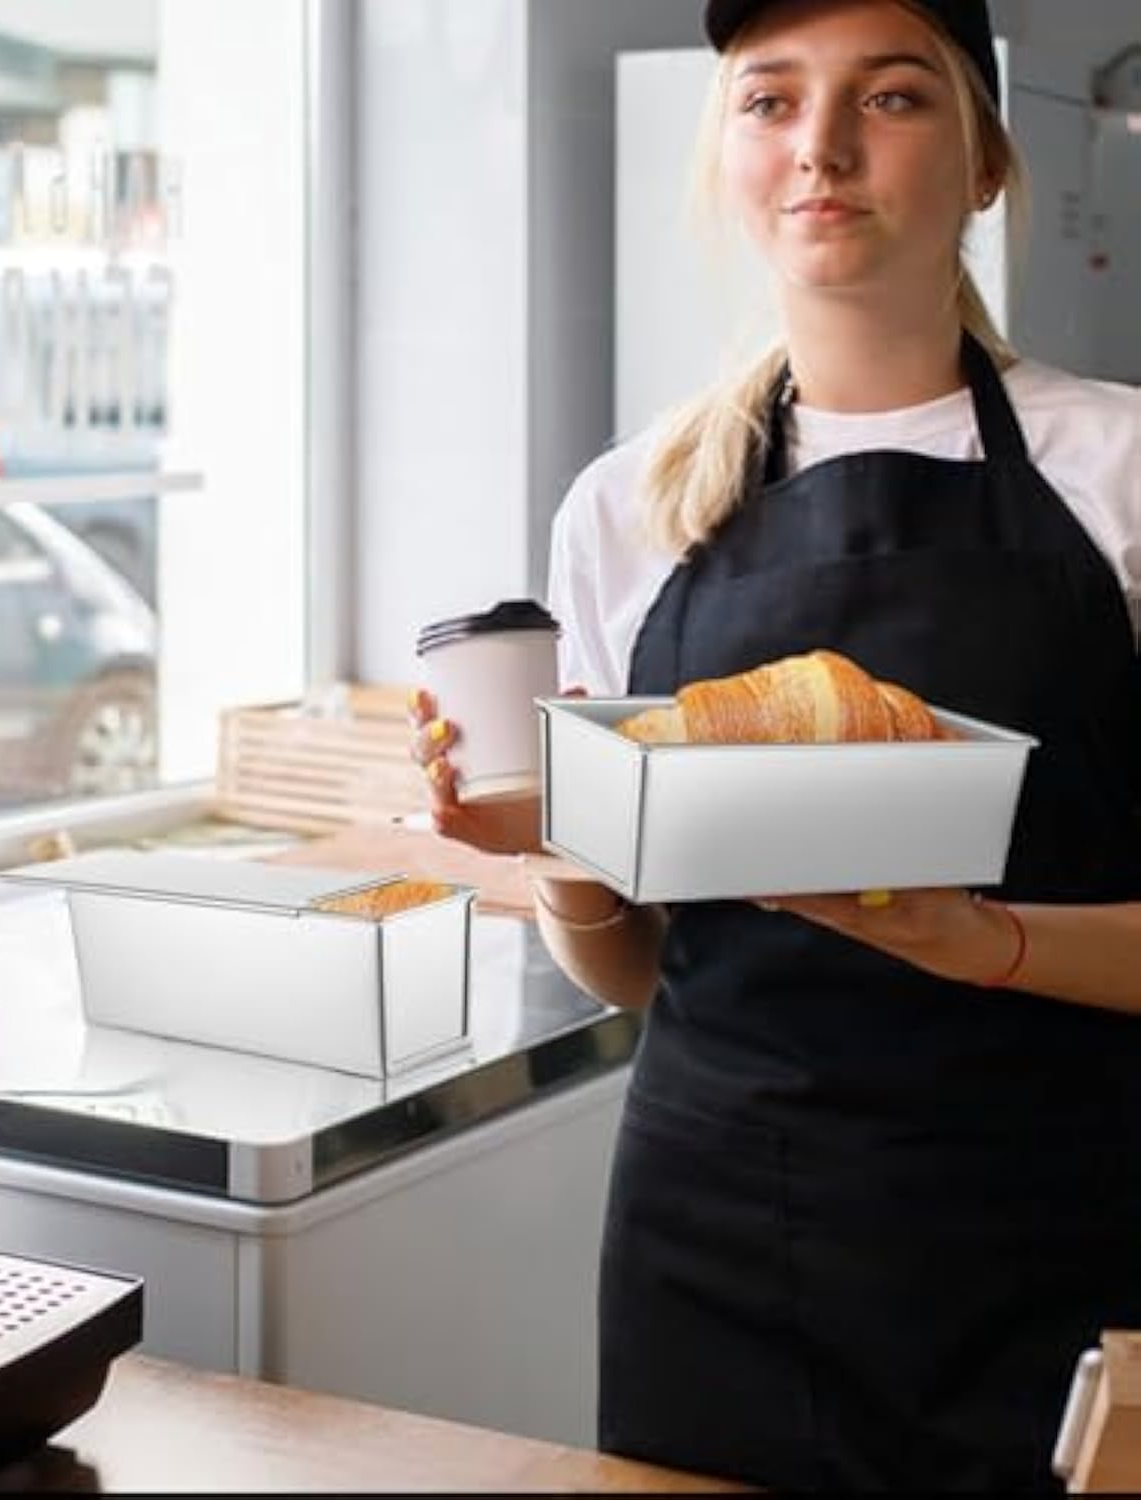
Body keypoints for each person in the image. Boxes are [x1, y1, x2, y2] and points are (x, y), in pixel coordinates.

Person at [409, 0, 1141, 1489]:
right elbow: (646, 971)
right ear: (727, 155)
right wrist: (561, 846)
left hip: (1062, 1222)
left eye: (892, 97)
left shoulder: (1119, 470)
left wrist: (981, 941)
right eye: (768, 100)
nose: (821, 146)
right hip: (721, 1239)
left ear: (986, 161)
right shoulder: (629, 509)